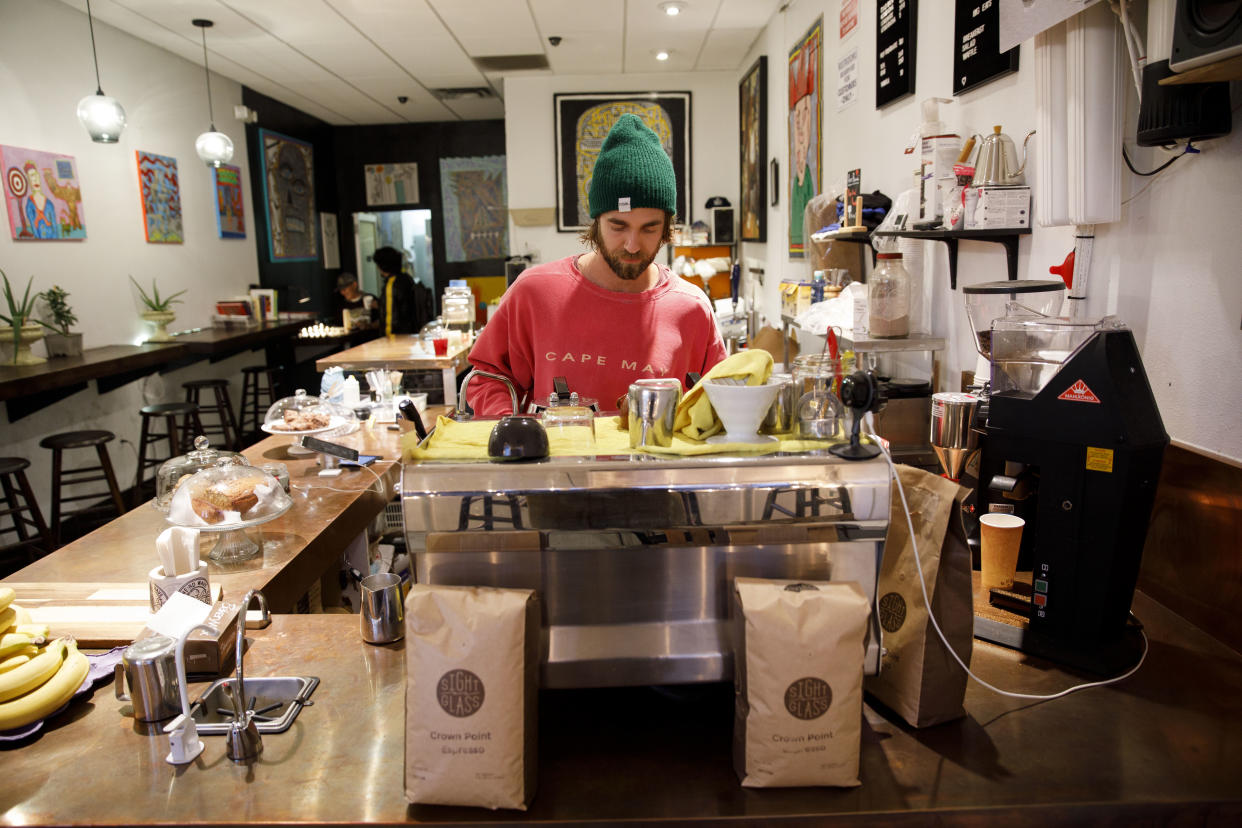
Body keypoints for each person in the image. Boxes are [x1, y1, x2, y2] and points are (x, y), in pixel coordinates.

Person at [466, 113, 727, 416]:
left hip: (656, 463)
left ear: (667, 226)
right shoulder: (533, 293)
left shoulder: (692, 308)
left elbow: (718, 400)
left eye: (649, 228)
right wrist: (513, 429)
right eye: (618, 226)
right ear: (596, 221)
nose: (632, 245)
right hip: (558, 461)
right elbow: (487, 378)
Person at [373, 246, 417, 335]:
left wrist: (387, 338)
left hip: (397, 337)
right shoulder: (407, 279)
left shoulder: (391, 285)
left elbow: (391, 317)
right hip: (411, 333)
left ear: (382, 266)